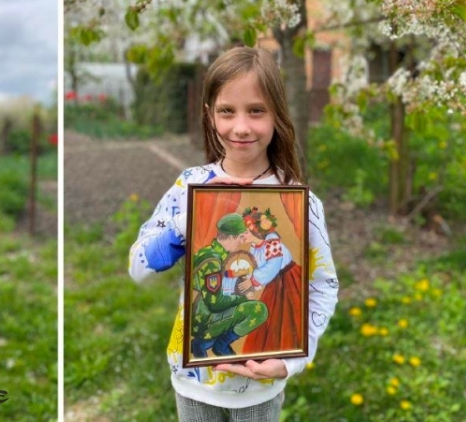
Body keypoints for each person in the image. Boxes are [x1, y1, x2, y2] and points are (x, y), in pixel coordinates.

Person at [128, 46, 338, 421]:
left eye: (256, 110)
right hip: (193, 382)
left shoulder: (300, 204)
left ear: (277, 114)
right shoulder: (187, 187)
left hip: (260, 387)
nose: (241, 127)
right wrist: (185, 221)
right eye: (227, 111)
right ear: (210, 116)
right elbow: (138, 268)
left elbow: (323, 285)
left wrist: (294, 359)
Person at [188, 214, 268, 359]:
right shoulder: (212, 261)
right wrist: (243, 298)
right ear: (230, 237)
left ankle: (207, 344)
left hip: (200, 314)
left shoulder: (209, 253)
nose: (240, 242)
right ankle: (216, 344)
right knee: (259, 310)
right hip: (204, 321)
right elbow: (215, 304)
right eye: (239, 238)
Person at [239, 207, 304, 354]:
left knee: (288, 316)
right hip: (275, 282)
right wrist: (249, 283)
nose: (243, 235)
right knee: (271, 320)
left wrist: (253, 280)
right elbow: (256, 267)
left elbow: (273, 265)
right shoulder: (254, 247)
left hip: (289, 279)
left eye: (246, 231)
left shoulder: (272, 241)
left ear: (255, 230)